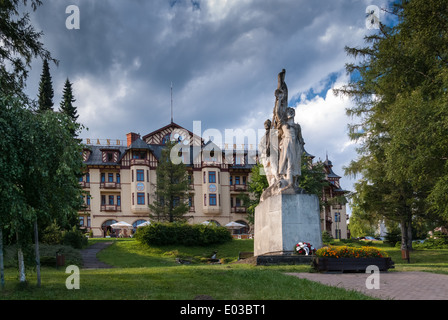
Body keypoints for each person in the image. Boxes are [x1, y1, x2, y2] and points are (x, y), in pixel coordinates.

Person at [278, 107, 304, 188]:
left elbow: (300, 138)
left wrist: (301, 148)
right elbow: (278, 113)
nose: (291, 112)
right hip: (287, 143)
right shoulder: (284, 125)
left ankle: (293, 182)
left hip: (295, 145)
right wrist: (279, 99)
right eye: (289, 111)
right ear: (286, 114)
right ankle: (290, 183)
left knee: (294, 163)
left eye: (292, 111)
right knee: (288, 161)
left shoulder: (297, 126)